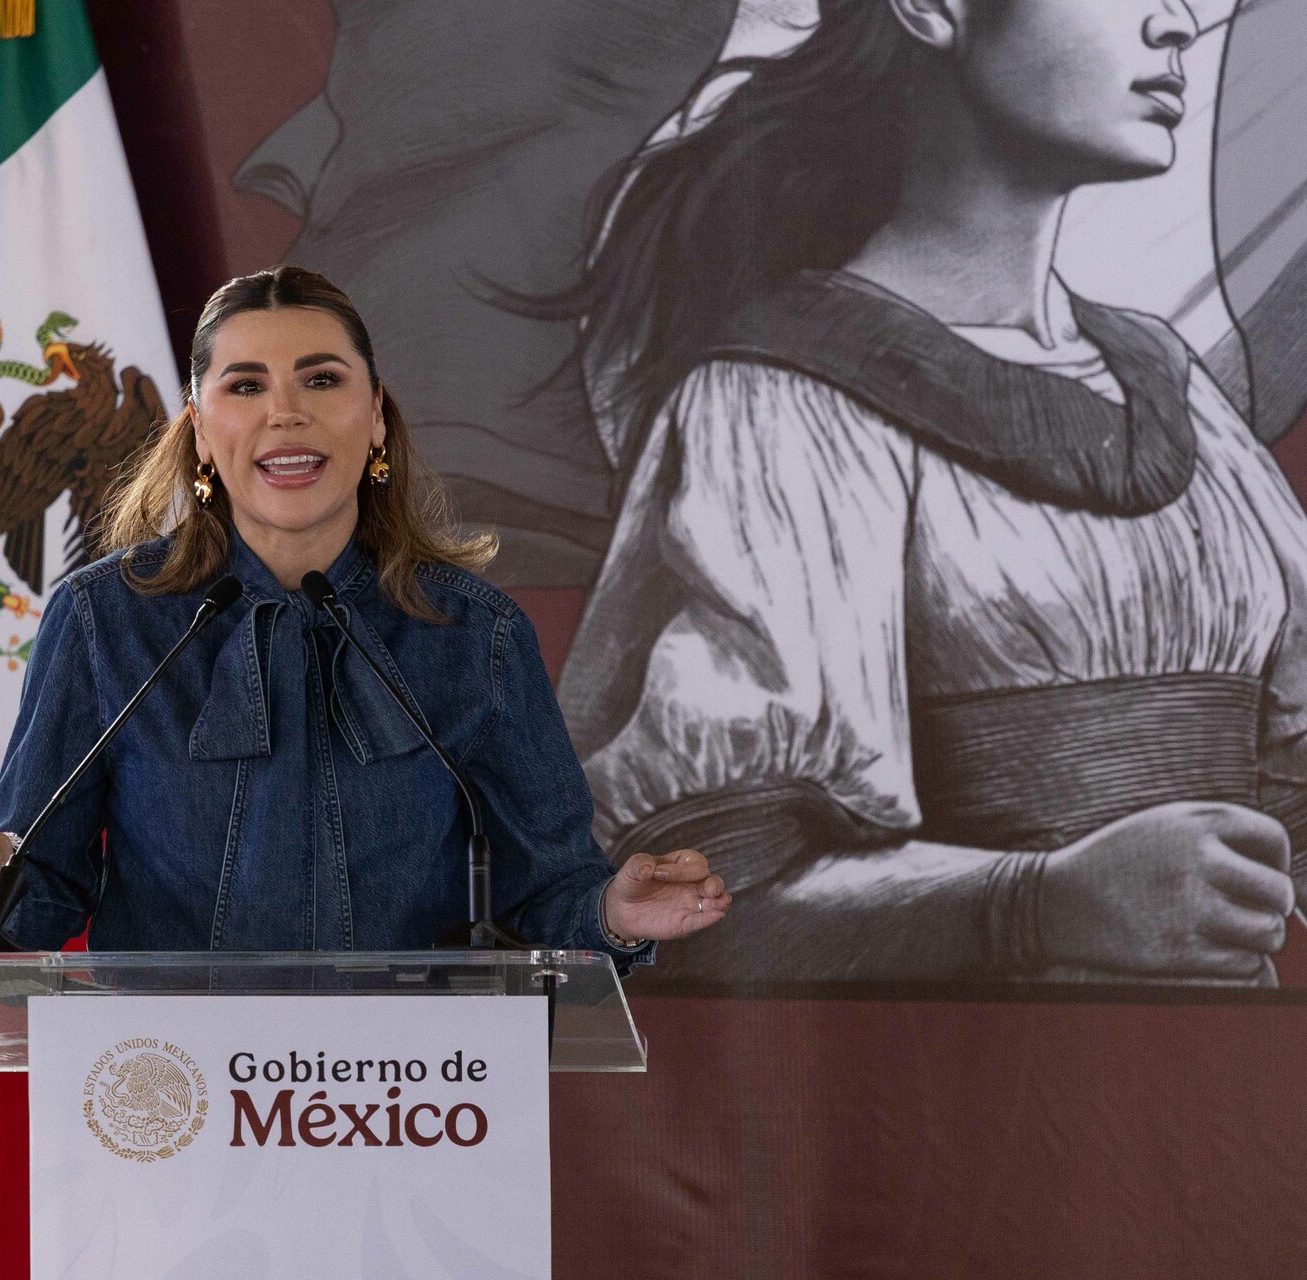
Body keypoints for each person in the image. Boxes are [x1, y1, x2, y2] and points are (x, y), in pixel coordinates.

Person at [556, 0, 1304, 983]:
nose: (1176, 24)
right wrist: (1035, 901)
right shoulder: (780, 399)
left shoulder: (1173, 386)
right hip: (955, 1059)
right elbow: (698, 891)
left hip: (1208, 1062)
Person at [0, 266, 730, 955]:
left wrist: (612, 914)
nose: (286, 412)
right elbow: (40, 891)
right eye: (246, 386)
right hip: (177, 1086)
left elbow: (548, 892)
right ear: (200, 432)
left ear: (375, 417)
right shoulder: (104, 621)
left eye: (322, 379)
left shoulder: (476, 634)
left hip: (410, 1085)